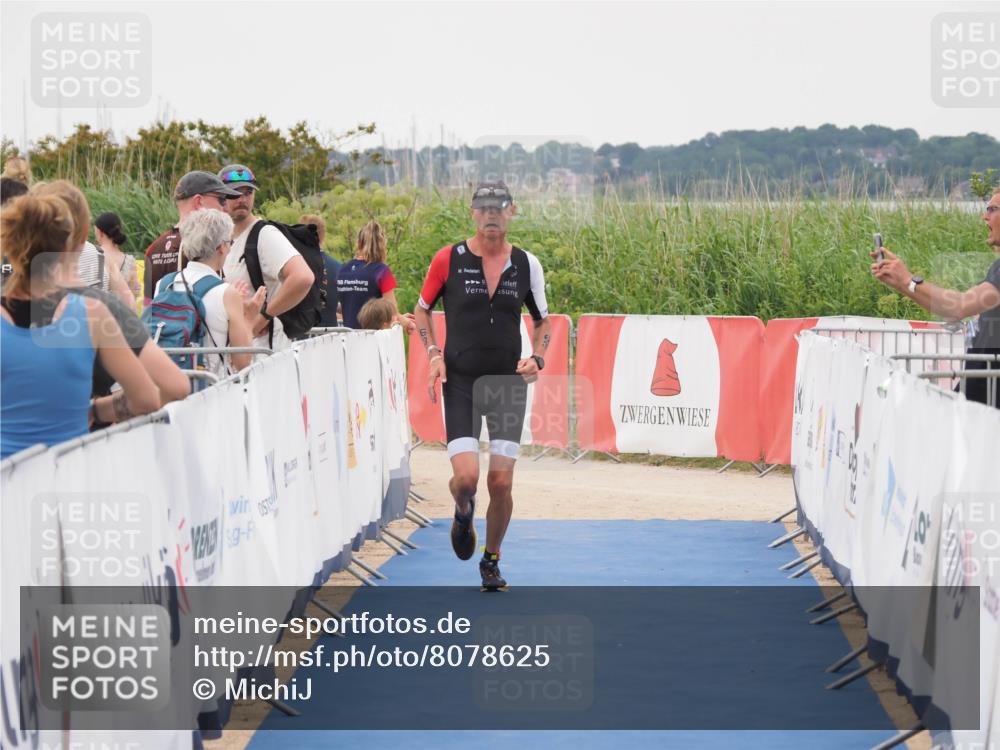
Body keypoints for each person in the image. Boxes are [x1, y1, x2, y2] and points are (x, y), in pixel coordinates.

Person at [413, 180, 552, 590]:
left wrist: (538, 358)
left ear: (512, 211)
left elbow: (543, 321)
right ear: (473, 212)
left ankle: (491, 561)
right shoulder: (448, 259)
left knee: (501, 482)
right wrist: (434, 355)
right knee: (469, 479)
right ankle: (462, 511)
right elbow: (421, 313)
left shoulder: (527, 264)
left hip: (508, 384)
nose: (491, 214)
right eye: (484, 207)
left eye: (499, 207)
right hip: (462, 383)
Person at [1, 191, 160, 458]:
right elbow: (147, 398)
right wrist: (94, 410)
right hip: (67, 475)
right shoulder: (91, 314)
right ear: (67, 248)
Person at [32, 181, 190, 418]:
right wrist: (95, 411)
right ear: (86, 233)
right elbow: (174, 386)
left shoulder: (10, 304)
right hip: (83, 441)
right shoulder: (99, 308)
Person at [871, 187, 1000, 407]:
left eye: (992, 209)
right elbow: (949, 309)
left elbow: (957, 307)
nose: (984, 216)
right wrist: (902, 284)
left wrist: (908, 281)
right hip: (979, 398)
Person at [155, 209, 265, 378]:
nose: (230, 249)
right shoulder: (226, 293)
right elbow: (242, 361)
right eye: (230, 243)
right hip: (209, 389)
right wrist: (249, 320)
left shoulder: (164, 285)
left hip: (168, 384)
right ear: (221, 247)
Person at [218, 164, 314, 351]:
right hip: (238, 351)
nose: (242, 199)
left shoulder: (265, 234)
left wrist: (263, 318)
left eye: (248, 193)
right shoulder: (224, 238)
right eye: (234, 193)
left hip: (264, 353)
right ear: (220, 197)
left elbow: (303, 277)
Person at [143, 171, 241, 306]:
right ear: (199, 201)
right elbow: (216, 304)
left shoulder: (153, 248)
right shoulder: (204, 244)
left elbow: (148, 304)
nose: (225, 208)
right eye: (222, 200)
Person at [337, 220, 414, 331]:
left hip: (347, 338)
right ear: (382, 244)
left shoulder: (343, 270)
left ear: (358, 243)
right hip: (373, 340)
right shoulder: (381, 271)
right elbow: (393, 313)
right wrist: (407, 323)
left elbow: (344, 305)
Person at [301, 213, 341, 328]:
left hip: (302, 336)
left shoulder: (295, 267)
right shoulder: (338, 267)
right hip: (331, 336)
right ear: (323, 235)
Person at [95, 211, 141, 301]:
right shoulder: (129, 261)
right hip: (122, 312)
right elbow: (135, 291)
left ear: (100, 233)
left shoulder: (93, 255)